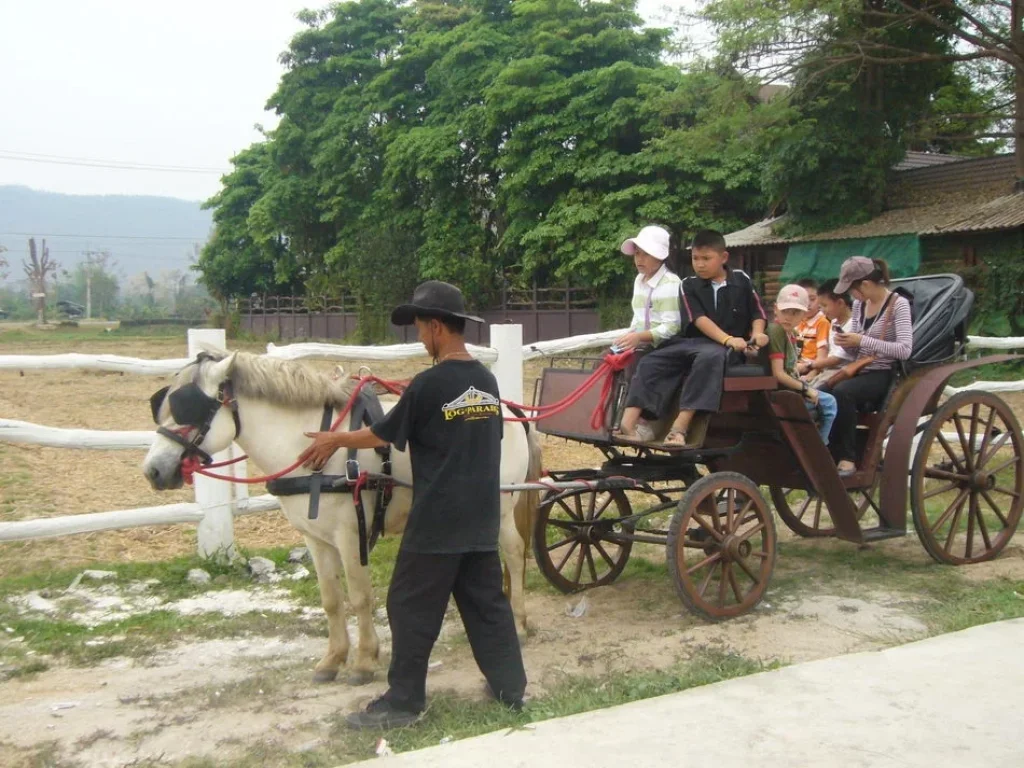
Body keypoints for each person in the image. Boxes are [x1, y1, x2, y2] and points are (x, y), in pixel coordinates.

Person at [299, 280, 527, 729]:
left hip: (438, 520)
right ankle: (510, 690)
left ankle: (404, 704)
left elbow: (382, 434)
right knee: (487, 607)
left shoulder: (428, 384)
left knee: (408, 605)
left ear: (438, 326)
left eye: (422, 327)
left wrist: (336, 438)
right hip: (481, 516)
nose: (420, 337)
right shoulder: (485, 381)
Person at [619, 229, 768, 448]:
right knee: (652, 360)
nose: (700, 264)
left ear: (723, 258)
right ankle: (628, 425)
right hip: (693, 343)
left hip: (728, 349)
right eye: (695, 258)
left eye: (706, 259)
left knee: (709, 357)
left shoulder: (741, 280)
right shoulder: (689, 284)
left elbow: (757, 312)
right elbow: (698, 319)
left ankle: (680, 428)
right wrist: (727, 339)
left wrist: (757, 334)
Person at [821, 257, 913, 476]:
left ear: (865, 285)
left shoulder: (898, 304)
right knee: (821, 393)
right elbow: (858, 349)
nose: (851, 296)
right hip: (859, 369)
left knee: (843, 393)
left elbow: (904, 349)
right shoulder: (860, 305)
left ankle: (848, 458)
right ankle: (827, 451)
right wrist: (848, 343)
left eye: (852, 290)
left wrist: (861, 341)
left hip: (883, 373)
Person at [611, 225, 682, 442]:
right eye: (638, 254)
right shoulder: (638, 281)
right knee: (608, 359)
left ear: (660, 256)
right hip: (643, 340)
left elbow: (672, 326)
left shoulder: (671, 283)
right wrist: (628, 337)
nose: (639, 259)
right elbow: (638, 318)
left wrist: (639, 338)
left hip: (667, 344)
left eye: (646, 254)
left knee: (640, 364)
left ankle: (641, 424)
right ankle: (611, 417)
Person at [768, 285, 838, 445]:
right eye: (785, 311)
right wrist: (806, 389)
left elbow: (791, 368)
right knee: (829, 403)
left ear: (804, 314)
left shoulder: (791, 333)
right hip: (783, 392)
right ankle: (820, 448)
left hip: (791, 386)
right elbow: (778, 373)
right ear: (776, 309)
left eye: (795, 313)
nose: (789, 317)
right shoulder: (776, 330)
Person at [802, 278, 854, 388]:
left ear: (840, 303)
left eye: (825, 306)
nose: (823, 310)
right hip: (827, 369)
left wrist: (810, 366)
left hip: (841, 370)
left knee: (812, 392)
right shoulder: (834, 322)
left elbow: (837, 359)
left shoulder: (853, 325)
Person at [794, 278, 830, 374]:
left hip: (809, 366)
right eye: (803, 300)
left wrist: (811, 374)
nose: (808, 303)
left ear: (820, 299)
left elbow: (822, 357)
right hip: (796, 363)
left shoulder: (822, 322)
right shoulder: (797, 321)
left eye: (812, 299)